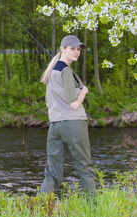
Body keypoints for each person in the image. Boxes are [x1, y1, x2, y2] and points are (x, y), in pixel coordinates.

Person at [38, 35, 96, 196]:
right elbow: (74, 103)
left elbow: (49, 103)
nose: (76, 52)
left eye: (78, 49)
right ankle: (93, 208)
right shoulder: (65, 70)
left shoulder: (52, 72)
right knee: (84, 167)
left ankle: (40, 207)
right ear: (62, 49)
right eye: (72, 48)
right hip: (73, 124)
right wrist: (84, 91)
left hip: (55, 125)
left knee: (52, 170)